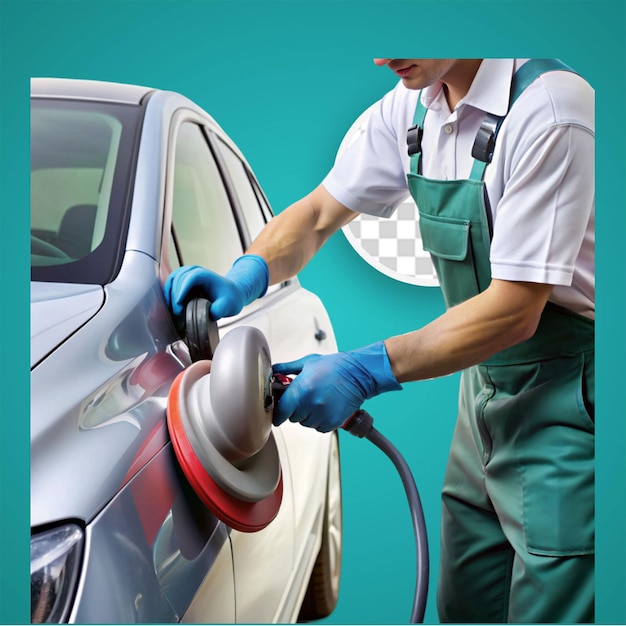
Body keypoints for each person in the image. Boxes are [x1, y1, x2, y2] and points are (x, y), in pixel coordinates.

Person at [164, 59, 595, 623]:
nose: (383, 54)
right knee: (467, 603)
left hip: (572, 404)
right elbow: (319, 213)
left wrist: (366, 370)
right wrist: (247, 273)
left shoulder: (553, 112)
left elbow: (514, 310)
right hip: (482, 399)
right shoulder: (412, 106)